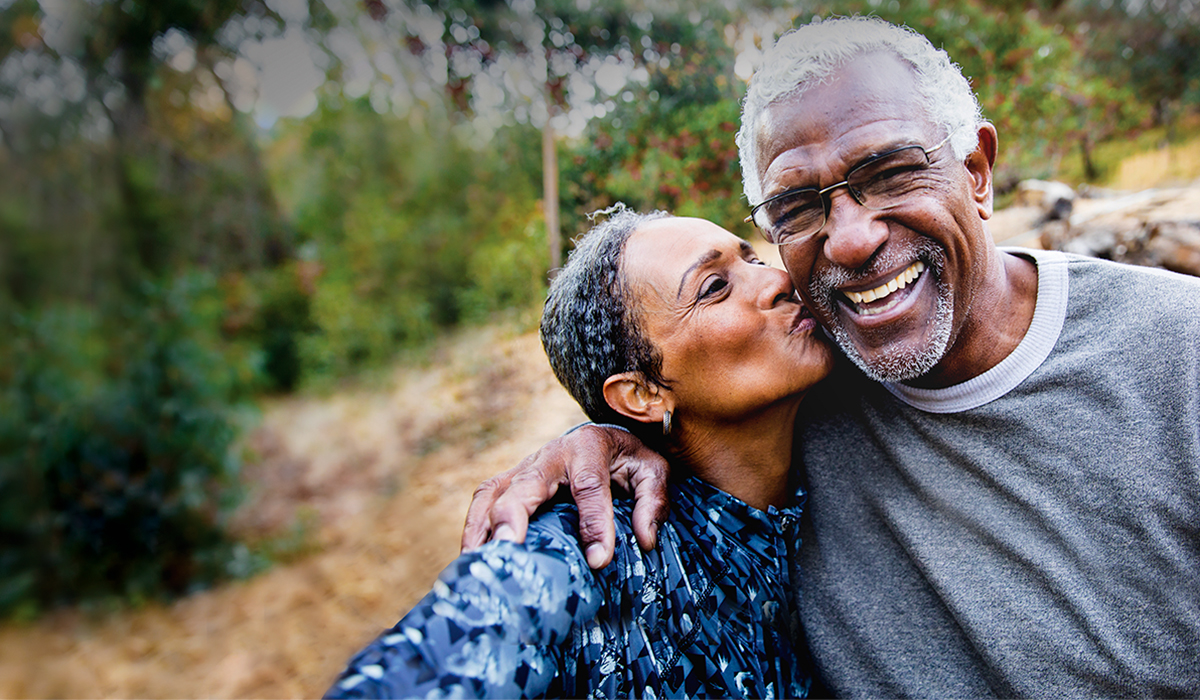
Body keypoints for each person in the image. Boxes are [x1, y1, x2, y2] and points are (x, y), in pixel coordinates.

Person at [461, 16, 1200, 698]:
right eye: (798, 207)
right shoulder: (809, 375)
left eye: (889, 174)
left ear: (976, 169)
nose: (849, 240)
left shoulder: (1177, 354)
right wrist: (592, 441)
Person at [325, 208, 833, 699]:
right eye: (715, 287)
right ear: (643, 395)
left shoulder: (850, 401)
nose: (777, 280)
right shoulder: (594, 548)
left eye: (755, 260)